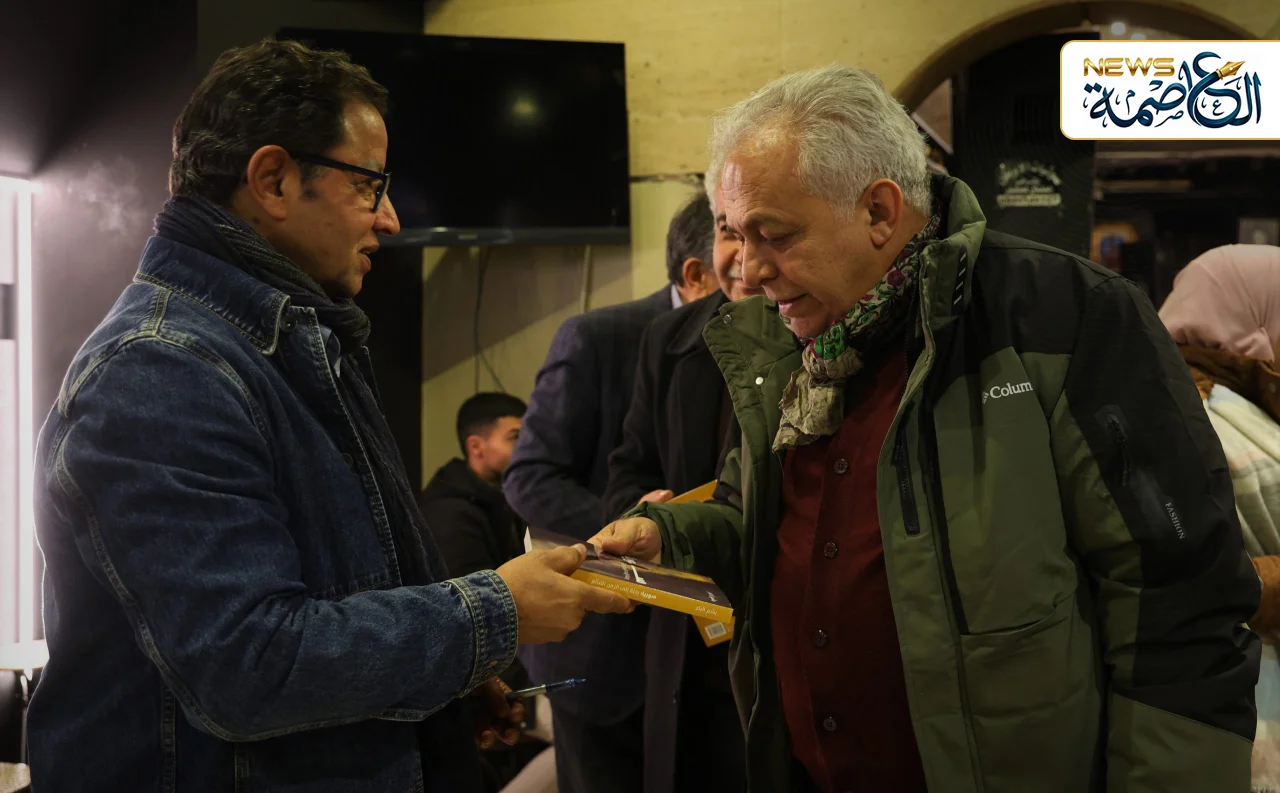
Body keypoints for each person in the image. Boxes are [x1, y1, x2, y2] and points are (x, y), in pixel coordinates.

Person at [594, 65, 1261, 793]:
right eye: (733, 234)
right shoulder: (784, 343)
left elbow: (1179, 604)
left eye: (773, 234)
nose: (749, 272)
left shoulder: (1069, 316)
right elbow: (756, 519)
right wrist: (673, 535)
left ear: (879, 211)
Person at [29, 39, 632, 793]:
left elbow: (339, 596)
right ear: (274, 180)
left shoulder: (292, 341)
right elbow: (249, 665)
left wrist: (438, 688)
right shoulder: (161, 369)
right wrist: (495, 613)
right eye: (369, 185)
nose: (390, 219)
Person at [503, 193, 719, 793]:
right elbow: (529, 477)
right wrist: (639, 526)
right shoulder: (599, 337)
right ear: (697, 273)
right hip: (603, 656)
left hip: (700, 653)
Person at [603, 189, 753, 793]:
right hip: (688, 651)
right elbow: (629, 464)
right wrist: (644, 512)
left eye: (767, 230)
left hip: (786, 651)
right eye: (728, 231)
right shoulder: (669, 338)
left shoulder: (829, 331)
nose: (744, 255)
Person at [1158, 244, 1280, 792]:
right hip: (1243, 701)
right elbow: (1198, 578)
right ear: (1254, 324)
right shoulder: (1205, 416)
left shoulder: (1227, 402)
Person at [418, 392, 552, 793]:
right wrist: (520, 696)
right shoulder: (451, 514)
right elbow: (470, 614)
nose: (527, 446)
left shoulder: (504, 504)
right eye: (515, 437)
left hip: (511, 675)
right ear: (476, 446)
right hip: (483, 682)